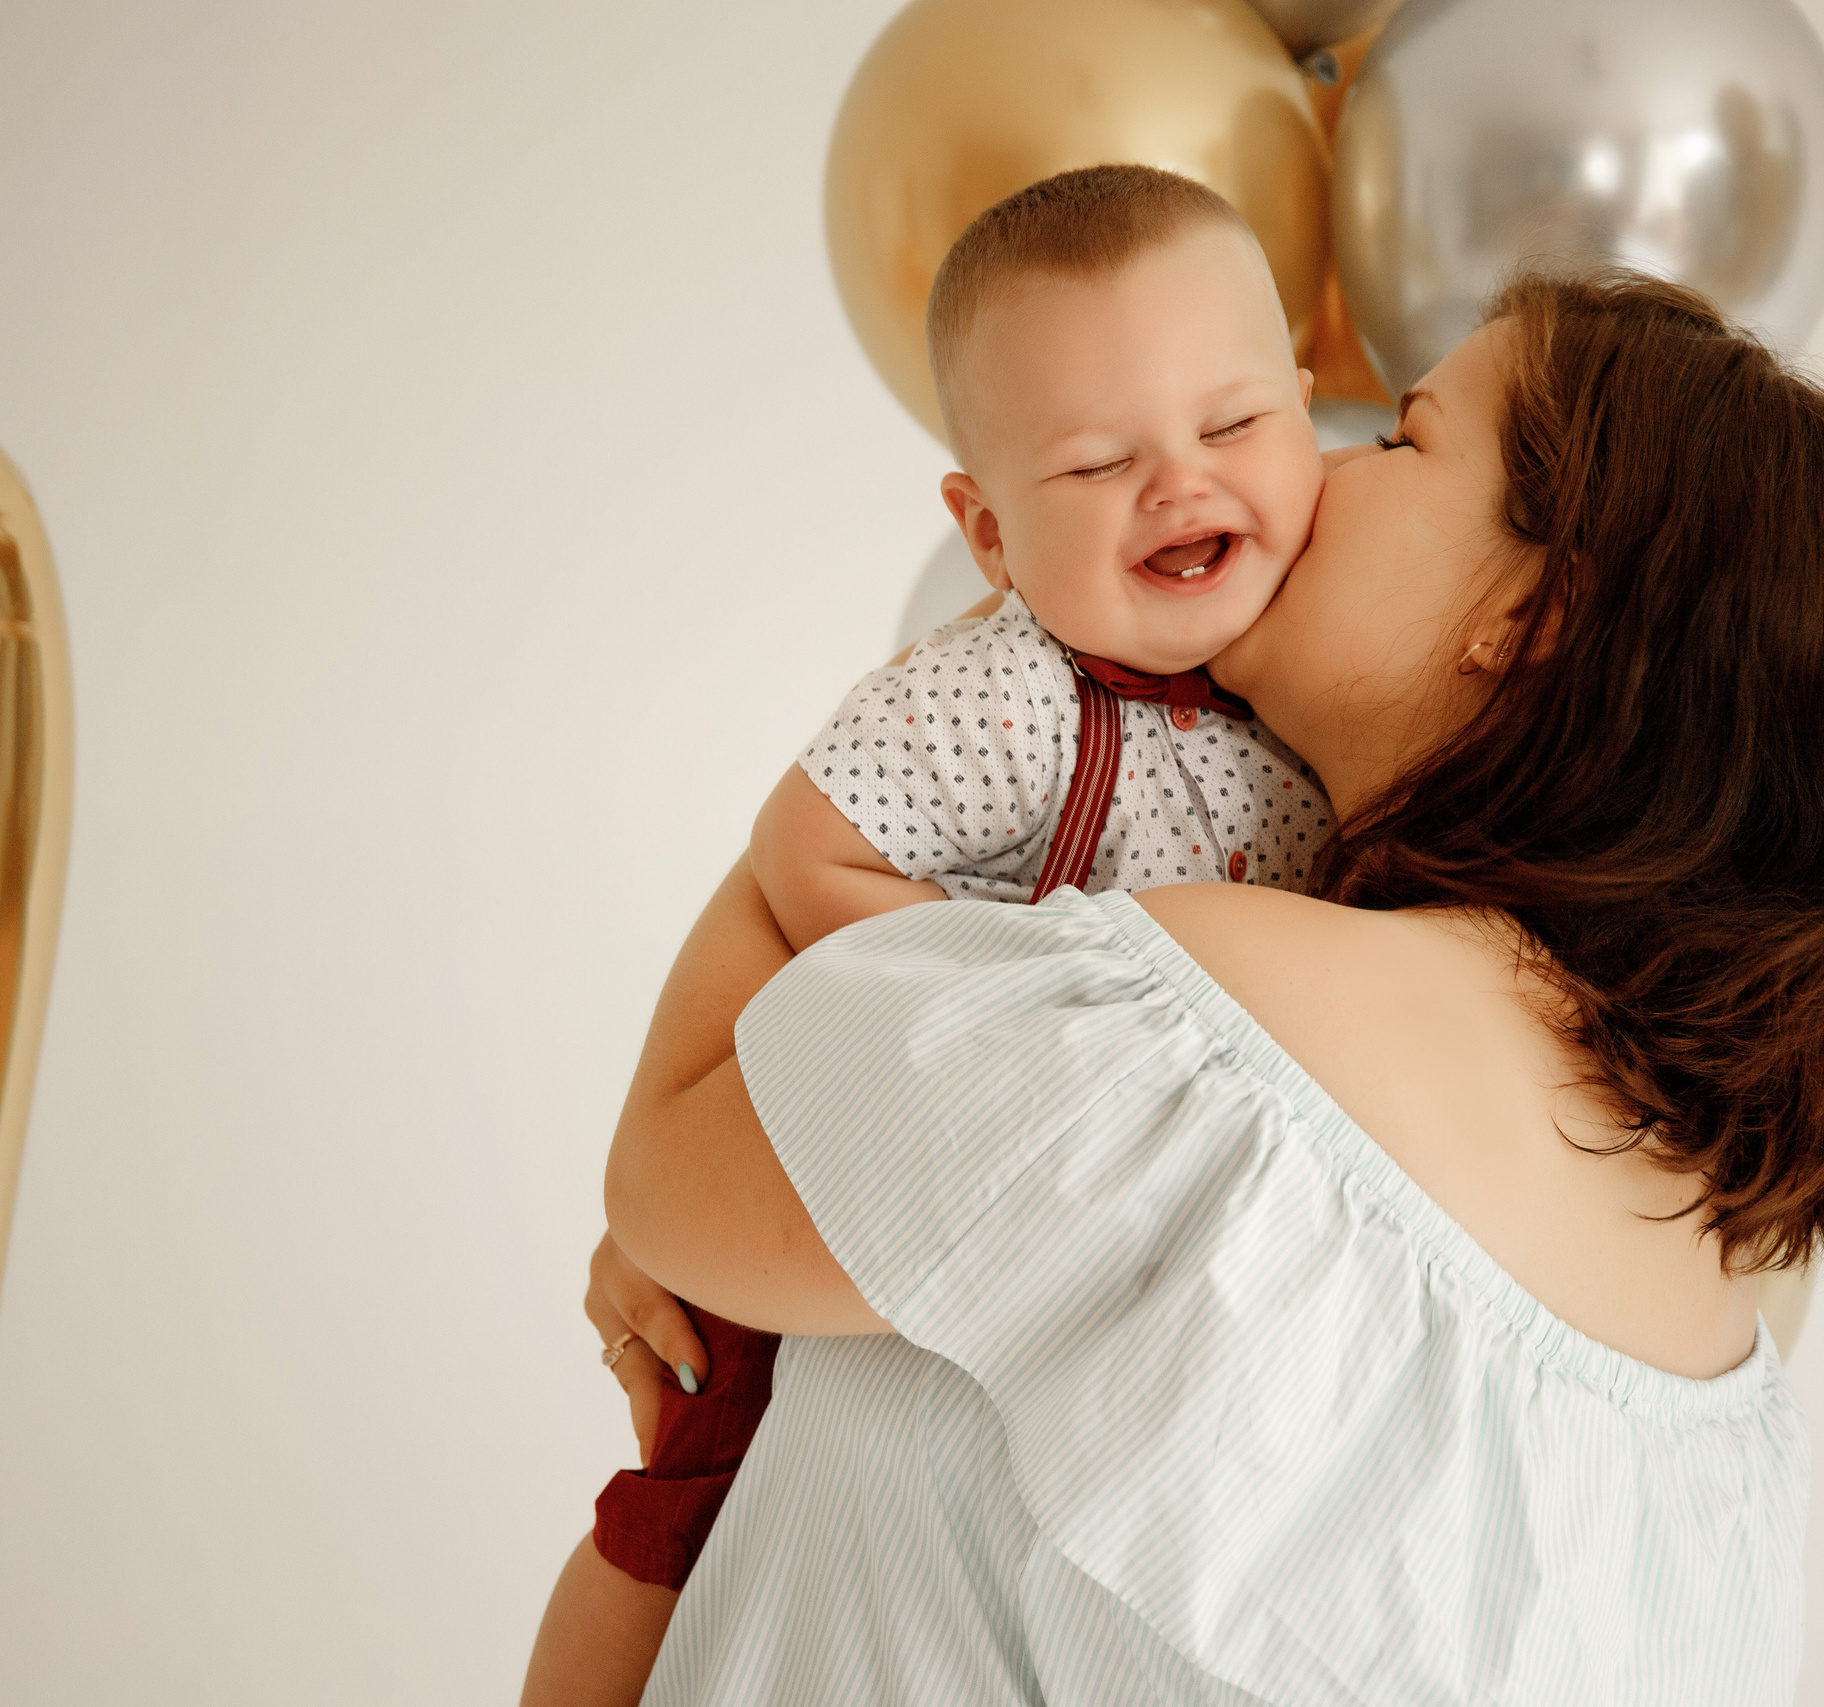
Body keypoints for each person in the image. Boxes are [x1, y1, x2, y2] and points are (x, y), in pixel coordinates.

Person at [527, 267, 1824, 1704]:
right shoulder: (1724, 1368)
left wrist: (878, 771)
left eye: (1403, 439)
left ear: (1531, 618)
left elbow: (667, 1175)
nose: (1319, 469)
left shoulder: (1209, 1026)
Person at [532, 163, 1337, 1693]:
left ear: (1310, 419)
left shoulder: (1324, 662)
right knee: (686, 1496)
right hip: (906, 1153)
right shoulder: (1015, 693)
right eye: (1098, 463)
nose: (1180, 486)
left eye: (1234, 425)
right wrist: (998, 986)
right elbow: (807, 844)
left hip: (1137, 1227)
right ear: (988, 534)